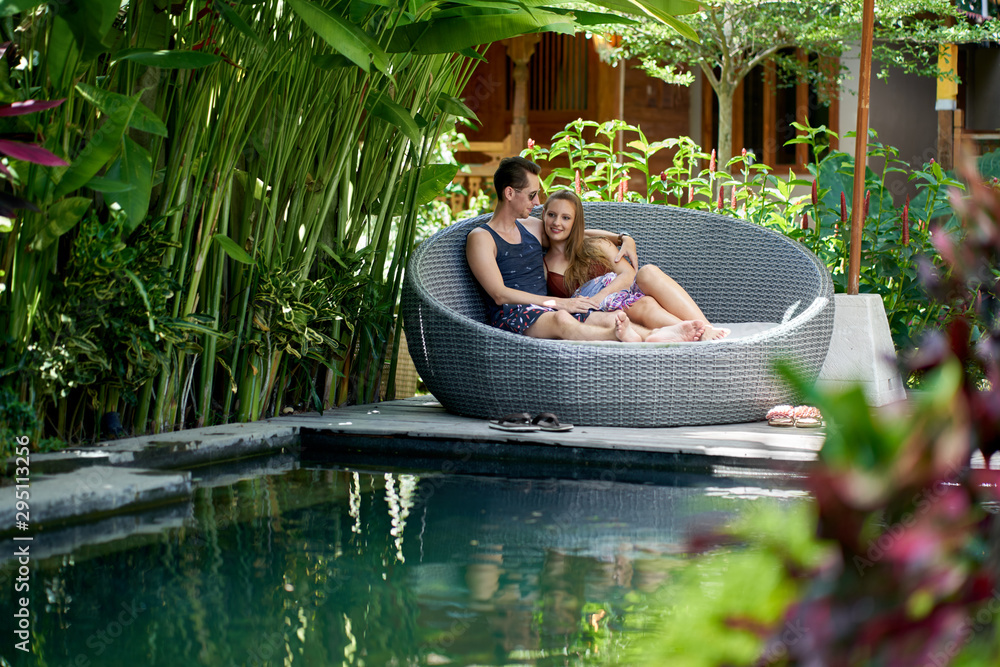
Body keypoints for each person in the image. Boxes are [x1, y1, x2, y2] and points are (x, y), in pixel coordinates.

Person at [466, 156, 706, 343]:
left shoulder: (530, 226)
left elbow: (572, 232)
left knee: (614, 317)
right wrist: (557, 303)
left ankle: (661, 334)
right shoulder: (482, 237)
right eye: (532, 195)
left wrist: (622, 237)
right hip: (514, 316)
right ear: (509, 193)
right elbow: (499, 294)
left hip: (547, 309)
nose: (537, 202)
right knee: (562, 318)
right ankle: (617, 337)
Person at [541, 189, 730, 341]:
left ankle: (706, 328)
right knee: (644, 304)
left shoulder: (596, 244)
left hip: (623, 291)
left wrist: (599, 297)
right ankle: (695, 333)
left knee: (648, 272)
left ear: (575, 222)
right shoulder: (544, 265)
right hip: (608, 313)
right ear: (543, 215)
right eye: (552, 215)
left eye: (566, 217)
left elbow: (628, 274)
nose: (557, 222)